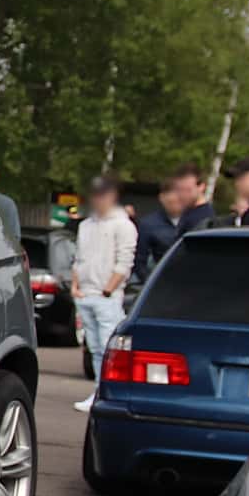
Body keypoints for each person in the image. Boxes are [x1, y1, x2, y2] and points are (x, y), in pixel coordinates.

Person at [71, 175, 136, 412]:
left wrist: (109, 288)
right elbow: (79, 257)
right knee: (95, 347)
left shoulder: (123, 225)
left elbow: (125, 260)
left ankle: (109, 392)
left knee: (109, 348)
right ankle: (99, 391)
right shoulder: (85, 225)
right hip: (85, 294)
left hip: (106, 295)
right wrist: (75, 286)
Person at [133, 178, 187, 282]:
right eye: (174, 195)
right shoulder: (148, 225)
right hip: (163, 283)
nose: (178, 199)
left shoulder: (197, 220)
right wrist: (152, 283)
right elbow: (139, 262)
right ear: (162, 198)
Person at [170, 163, 212, 235]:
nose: (182, 195)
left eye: (187, 190)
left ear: (201, 187)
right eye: (178, 190)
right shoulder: (187, 212)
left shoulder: (203, 220)